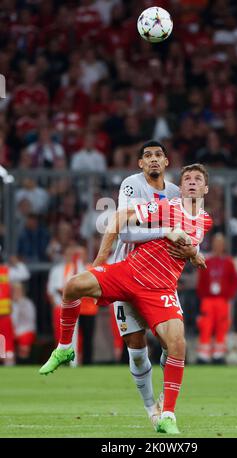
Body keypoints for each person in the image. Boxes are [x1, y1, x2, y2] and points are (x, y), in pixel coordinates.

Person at [39, 163, 212, 434]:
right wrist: (101, 260)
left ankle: (167, 414)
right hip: (128, 273)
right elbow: (121, 220)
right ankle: (64, 348)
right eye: (187, 177)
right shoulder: (167, 207)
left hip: (161, 289)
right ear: (180, 186)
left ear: (205, 188)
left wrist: (192, 252)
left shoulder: (205, 220)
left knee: (178, 344)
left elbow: (190, 243)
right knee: (72, 286)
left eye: (197, 178)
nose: (191, 181)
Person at [196, 233, 237, 364]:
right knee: (206, 325)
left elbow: (234, 281)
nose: (218, 246)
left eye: (220, 244)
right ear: (213, 245)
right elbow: (201, 280)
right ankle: (203, 356)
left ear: (223, 246)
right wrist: (203, 295)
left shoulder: (228, 262)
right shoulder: (207, 261)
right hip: (208, 300)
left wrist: (229, 295)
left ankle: (218, 355)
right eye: (216, 243)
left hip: (222, 300)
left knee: (222, 326)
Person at [11, 282, 36, 363]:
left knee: (24, 344)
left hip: (25, 330)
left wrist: (20, 303)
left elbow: (29, 320)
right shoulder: (8, 303)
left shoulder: (28, 303)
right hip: (11, 331)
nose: (16, 293)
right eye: (14, 291)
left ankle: (23, 363)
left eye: (18, 291)